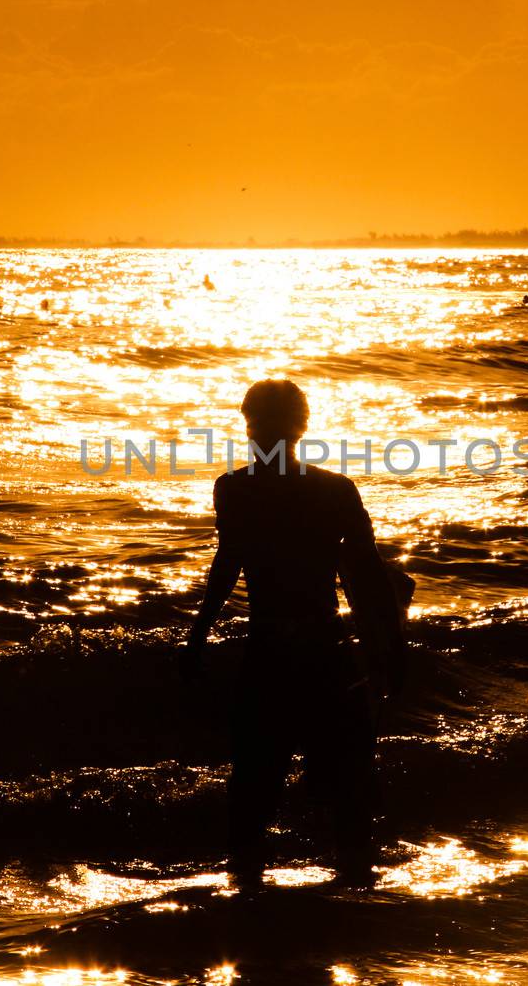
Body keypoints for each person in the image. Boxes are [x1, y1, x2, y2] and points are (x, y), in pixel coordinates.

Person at [181, 379, 407, 889]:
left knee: (269, 786)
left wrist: (198, 635)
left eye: (262, 424)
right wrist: (390, 650)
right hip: (313, 651)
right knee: (325, 787)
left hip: (288, 651)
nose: (260, 435)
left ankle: (262, 898)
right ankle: (335, 893)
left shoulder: (240, 488)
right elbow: (365, 577)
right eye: (258, 425)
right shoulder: (326, 490)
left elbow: (363, 575)